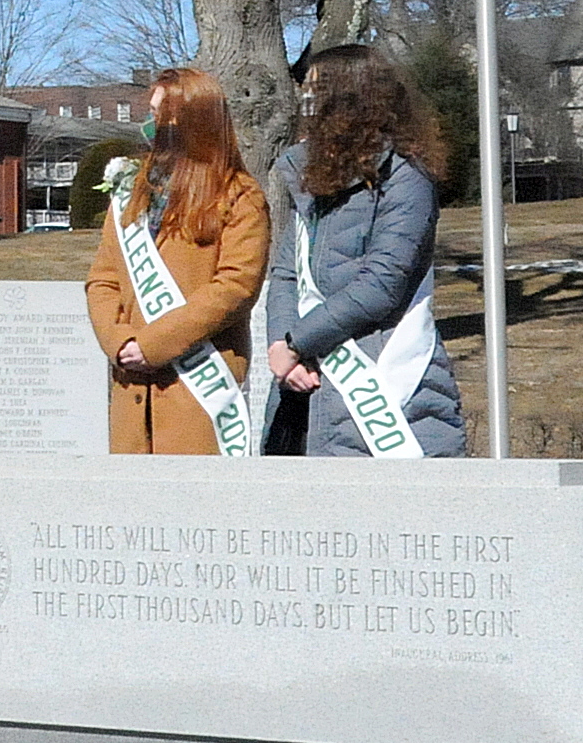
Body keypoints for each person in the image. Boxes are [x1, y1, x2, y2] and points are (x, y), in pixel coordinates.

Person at [261, 45, 465, 457]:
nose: (307, 104)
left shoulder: (406, 179)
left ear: (351, 100)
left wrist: (299, 342)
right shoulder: (311, 179)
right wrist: (281, 348)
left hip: (383, 376)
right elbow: (286, 274)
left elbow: (382, 284)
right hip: (302, 388)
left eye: (316, 94)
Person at [83, 67, 268, 454]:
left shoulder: (238, 195)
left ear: (193, 121)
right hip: (132, 389)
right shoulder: (132, 190)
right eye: (150, 113)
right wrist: (118, 342)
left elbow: (236, 286)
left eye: (160, 115)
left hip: (198, 384)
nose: (150, 126)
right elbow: (103, 278)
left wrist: (154, 344)